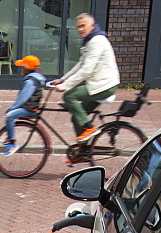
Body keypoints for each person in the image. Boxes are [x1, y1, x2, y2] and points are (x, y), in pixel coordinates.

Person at [52, 13, 120, 158]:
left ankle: (89, 127)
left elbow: (86, 69)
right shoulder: (90, 41)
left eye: (83, 26)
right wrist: (62, 80)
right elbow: (80, 65)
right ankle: (82, 152)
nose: (80, 29)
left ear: (92, 26)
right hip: (98, 84)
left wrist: (66, 86)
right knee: (76, 117)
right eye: (78, 27)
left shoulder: (97, 41)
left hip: (104, 85)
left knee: (69, 96)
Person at [2, 55, 46, 157]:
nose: (21, 69)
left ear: (27, 68)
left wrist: (12, 108)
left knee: (9, 116)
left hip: (29, 109)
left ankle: (12, 143)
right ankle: (9, 138)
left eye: (22, 67)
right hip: (30, 106)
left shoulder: (30, 81)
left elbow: (23, 98)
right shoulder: (36, 78)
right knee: (10, 114)